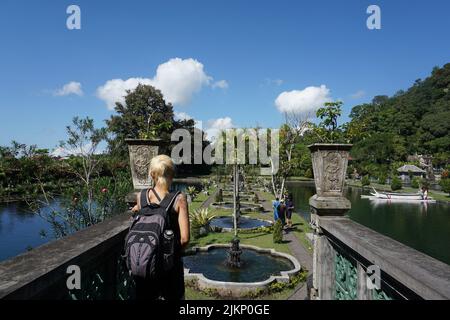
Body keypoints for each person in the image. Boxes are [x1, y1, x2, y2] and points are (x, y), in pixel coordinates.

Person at [131, 155, 190, 300]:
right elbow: (185, 239)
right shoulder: (178, 199)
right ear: (172, 175)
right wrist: (170, 255)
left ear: (152, 174)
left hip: (143, 266)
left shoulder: (141, 196)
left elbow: (140, 212)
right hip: (169, 270)